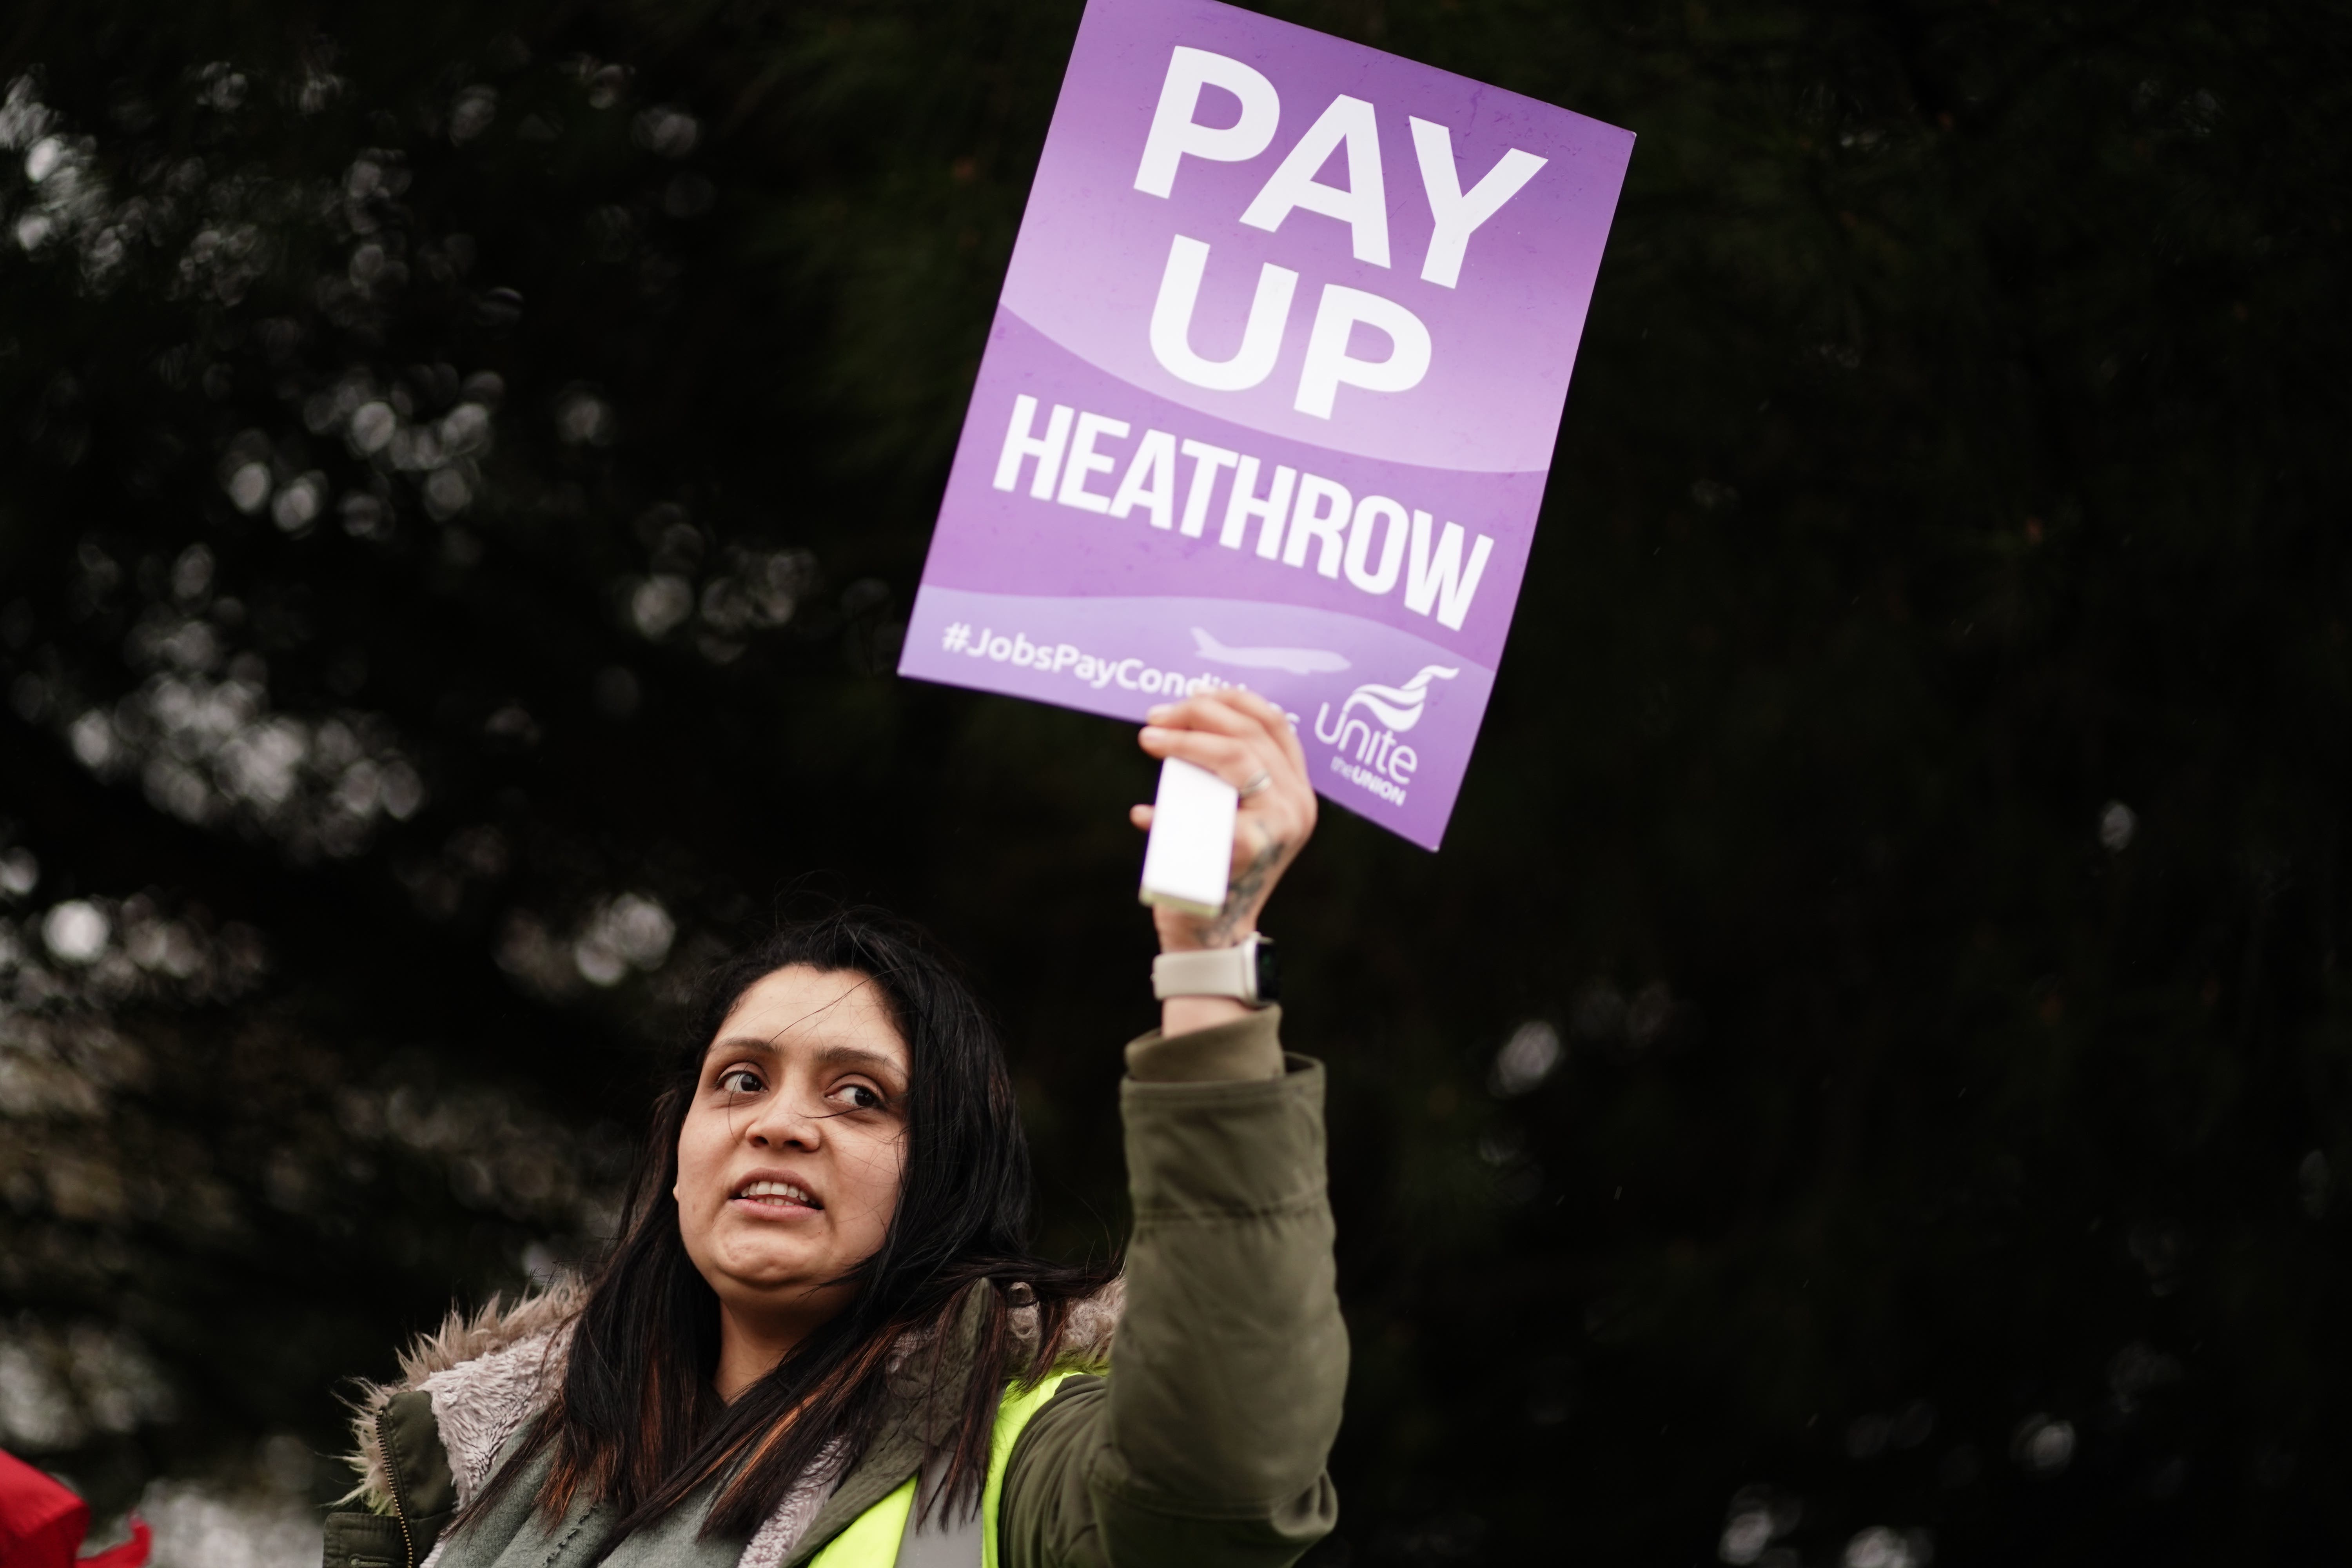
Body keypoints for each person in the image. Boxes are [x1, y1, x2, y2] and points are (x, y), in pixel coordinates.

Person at [321, 689, 1345, 1568]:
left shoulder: (1024, 1463)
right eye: (740, 1080)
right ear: (678, 1154)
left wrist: (1212, 957)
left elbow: (1223, 1482)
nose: (781, 1124)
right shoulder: (461, 1467)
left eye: (861, 1097)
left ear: (947, 1177)